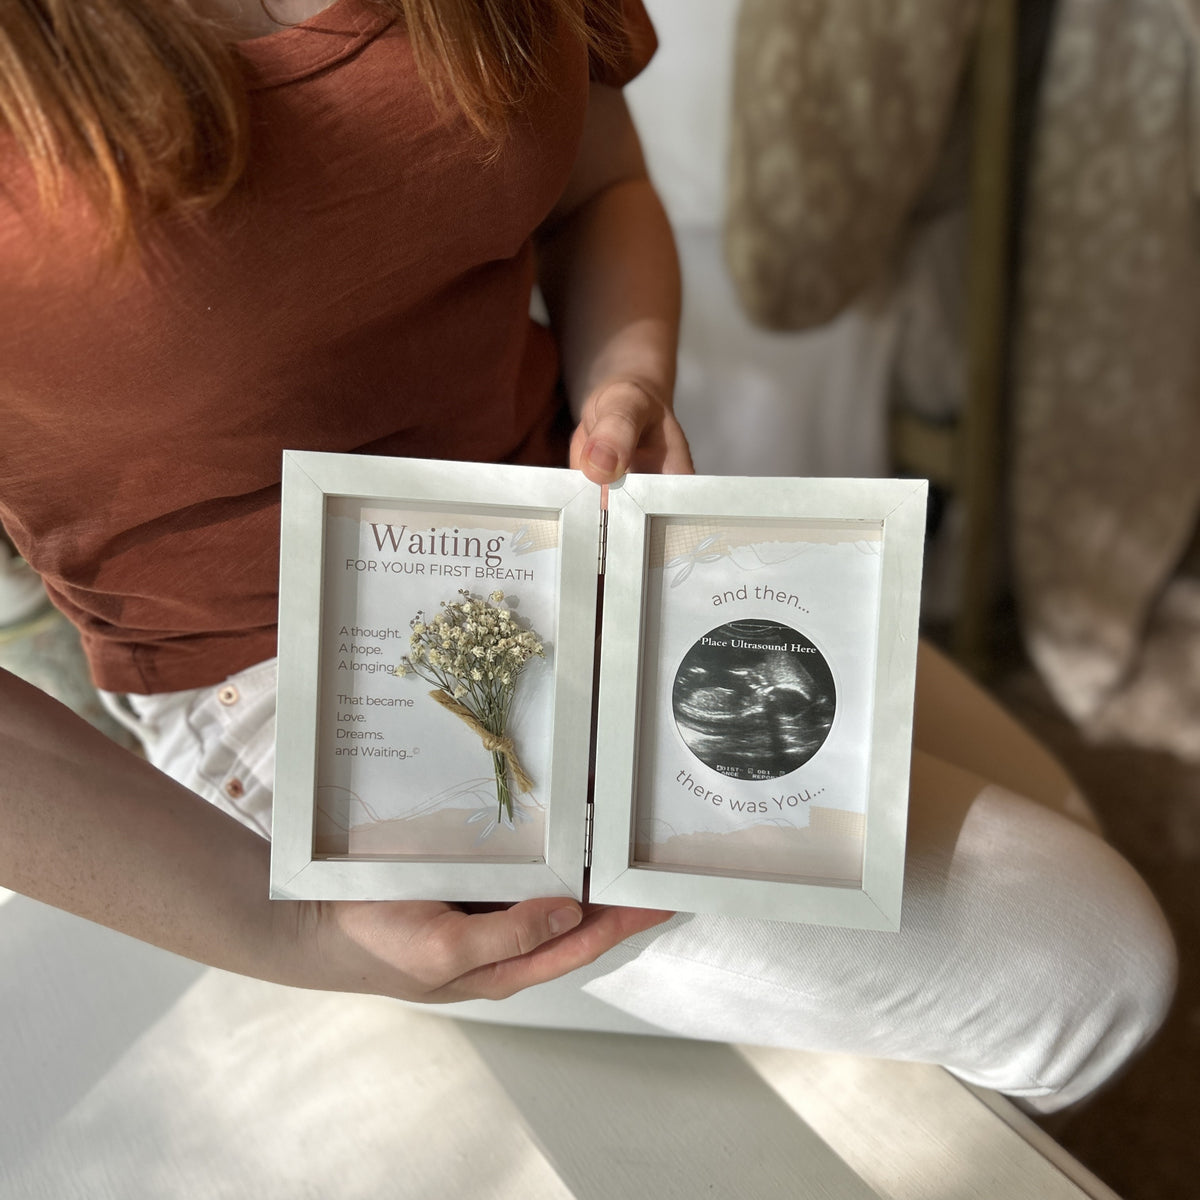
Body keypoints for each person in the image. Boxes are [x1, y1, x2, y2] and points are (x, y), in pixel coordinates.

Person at [0, 0, 1176, 1115]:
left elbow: (593, 187)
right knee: (1090, 969)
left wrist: (627, 378)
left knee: (1058, 816)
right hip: (299, 685)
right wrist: (291, 934)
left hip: (582, 546)